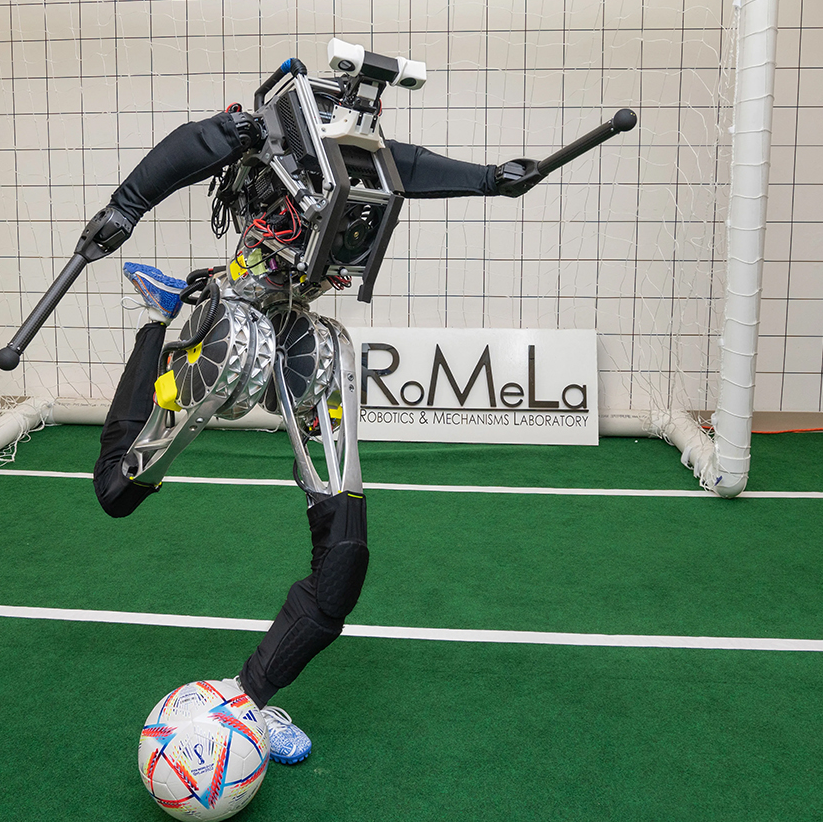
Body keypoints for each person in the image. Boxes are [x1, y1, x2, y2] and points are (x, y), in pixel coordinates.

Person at [89, 108, 543, 765]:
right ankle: (158, 318)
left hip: (304, 339)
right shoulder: (263, 136)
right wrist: (127, 205)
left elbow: (405, 165)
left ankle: (248, 701)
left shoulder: (363, 160)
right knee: (117, 491)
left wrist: (490, 180)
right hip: (233, 328)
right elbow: (201, 142)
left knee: (345, 561)